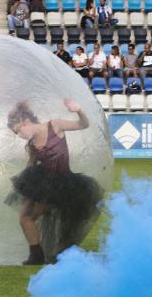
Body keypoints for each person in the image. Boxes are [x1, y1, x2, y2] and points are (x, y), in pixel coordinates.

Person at [6, 99, 103, 264]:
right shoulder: (32, 144)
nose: (20, 136)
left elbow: (83, 124)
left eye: (19, 131)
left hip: (64, 184)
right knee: (25, 217)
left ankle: (49, 253)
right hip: (44, 183)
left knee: (43, 219)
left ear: (25, 122)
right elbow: (33, 167)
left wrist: (78, 109)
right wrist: (28, 189)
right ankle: (37, 254)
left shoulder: (54, 125)